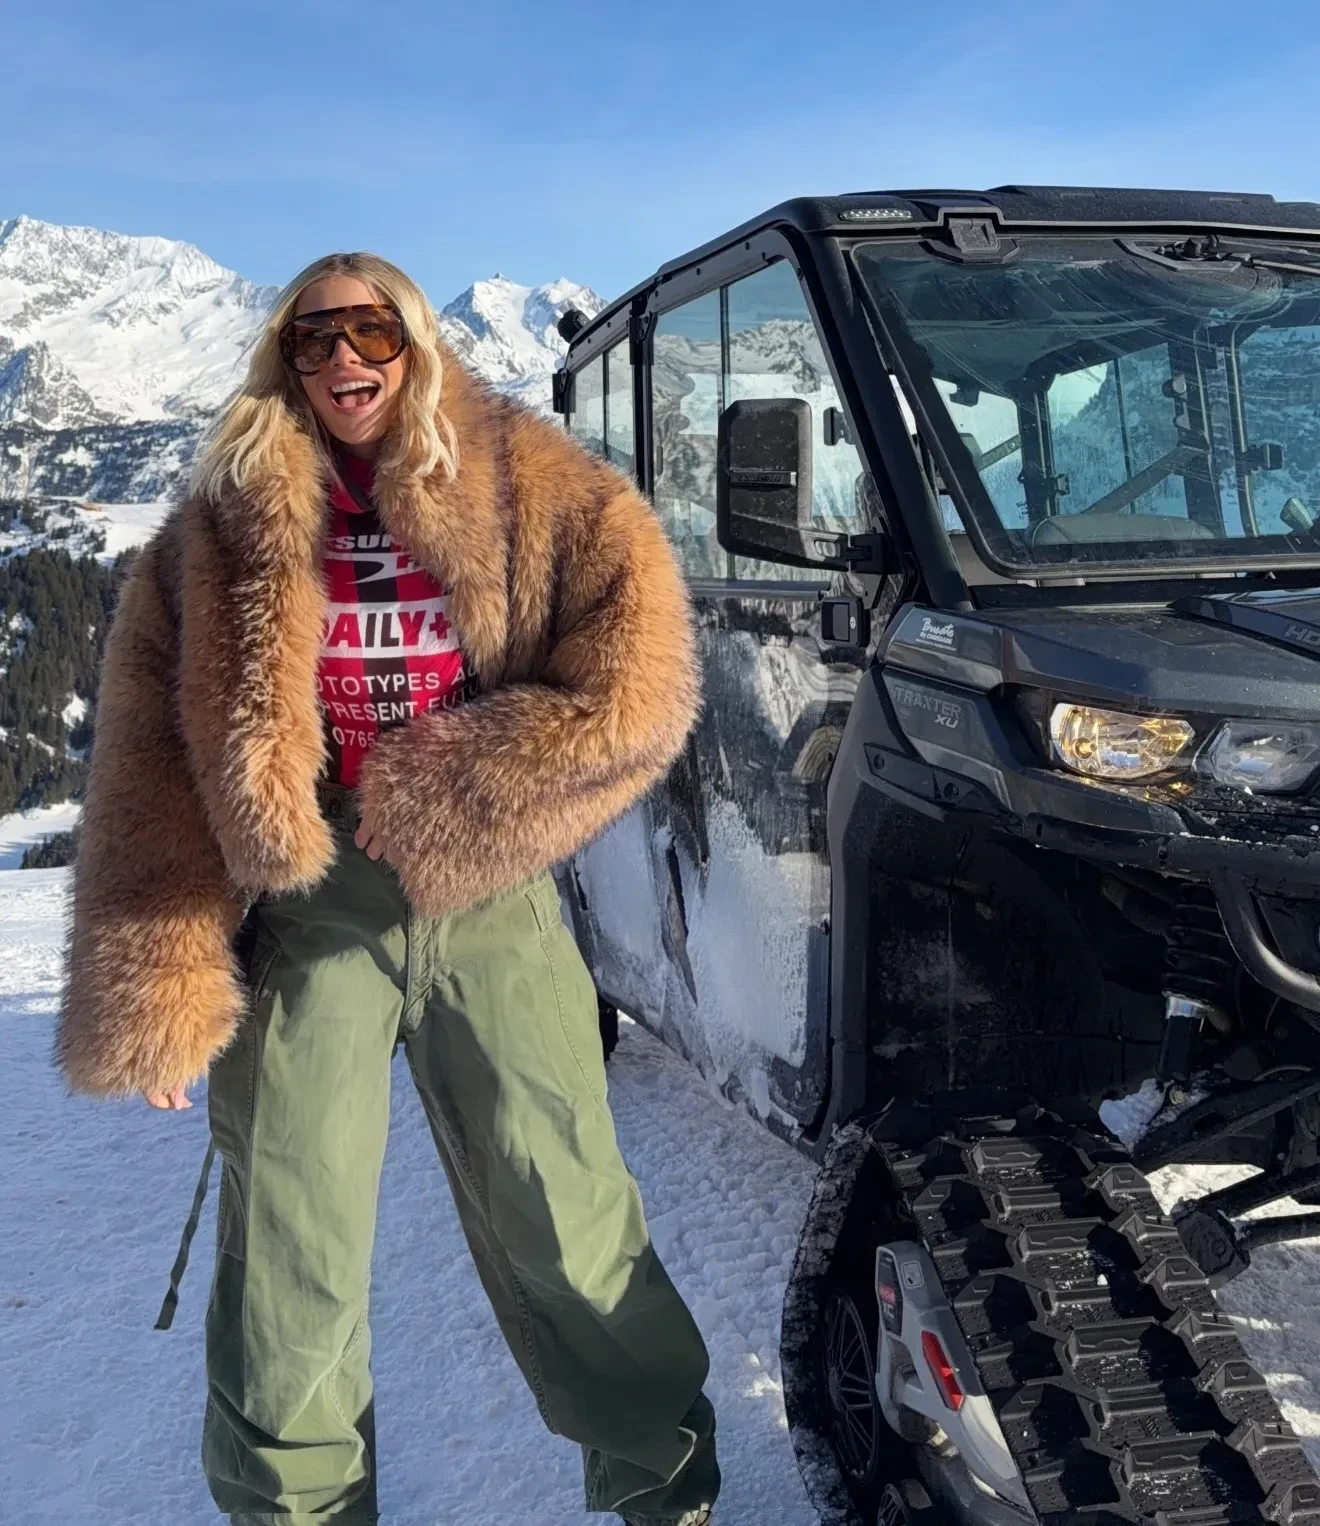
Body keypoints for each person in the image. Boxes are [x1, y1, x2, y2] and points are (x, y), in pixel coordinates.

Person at [54, 251, 720, 1526]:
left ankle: (667, 1490)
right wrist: (160, 984)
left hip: (489, 888)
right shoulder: (220, 528)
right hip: (311, 901)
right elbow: (148, 762)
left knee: (566, 1209)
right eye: (316, 339)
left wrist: (471, 780)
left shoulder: (530, 480)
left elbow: (635, 680)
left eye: (372, 332)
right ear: (286, 362)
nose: (345, 359)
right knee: (288, 1243)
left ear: (416, 343)